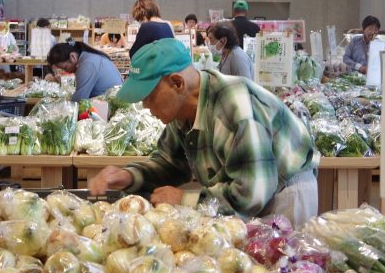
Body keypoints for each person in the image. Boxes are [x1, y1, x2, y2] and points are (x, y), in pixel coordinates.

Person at [87, 39, 318, 221]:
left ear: (177, 83)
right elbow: (170, 162)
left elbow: (252, 194)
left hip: (282, 195)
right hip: (244, 196)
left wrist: (185, 200)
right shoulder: (182, 112)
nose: (145, 106)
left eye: (149, 95)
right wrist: (128, 175)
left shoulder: (234, 105)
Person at [47, 40, 123, 102]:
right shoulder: (88, 57)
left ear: (73, 57)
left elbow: (79, 99)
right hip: (110, 101)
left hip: (110, 106)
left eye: (65, 68)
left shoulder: (87, 64)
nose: (67, 71)